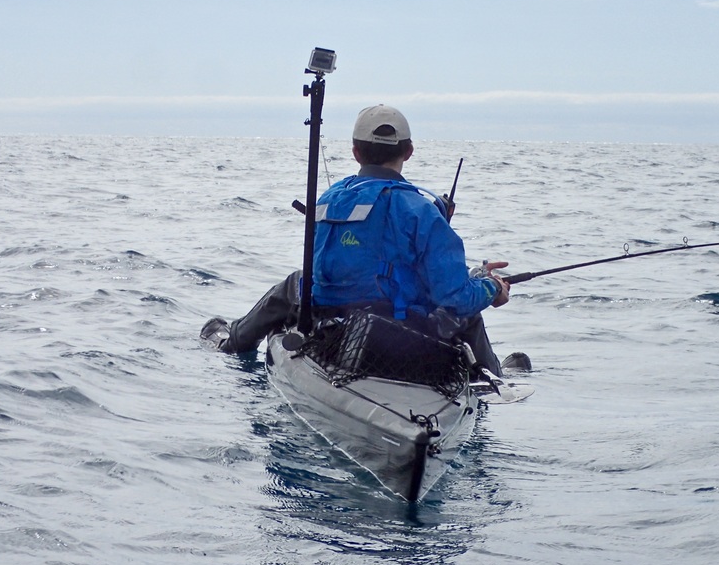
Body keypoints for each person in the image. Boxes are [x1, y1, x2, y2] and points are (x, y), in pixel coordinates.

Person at [201, 105, 525, 377]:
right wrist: (490, 287)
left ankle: (231, 342)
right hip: (402, 330)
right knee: (470, 315)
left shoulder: (331, 197)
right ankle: (496, 376)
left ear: (355, 152)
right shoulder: (423, 211)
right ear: (409, 152)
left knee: (292, 285)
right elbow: (453, 296)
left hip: (329, 322)